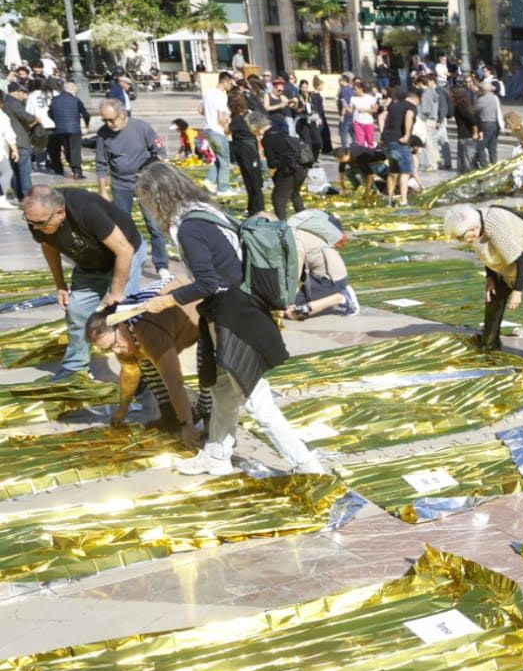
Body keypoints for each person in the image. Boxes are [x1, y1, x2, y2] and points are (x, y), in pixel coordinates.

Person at [131, 163, 324, 476]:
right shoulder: (205, 212)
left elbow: (208, 283)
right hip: (236, 309)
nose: (148, 210)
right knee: (222, 389)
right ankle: (217, 455)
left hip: (234, 317)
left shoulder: (189, 228)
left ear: (159, 197)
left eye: (147, 202)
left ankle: (307, 465)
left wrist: (167, 300)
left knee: (257, 401)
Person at [23, 186, 150, 379]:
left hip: (125, 255)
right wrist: (60, 285)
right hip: (89, 261)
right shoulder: (37, 219)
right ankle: (76, 366)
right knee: (77, 310)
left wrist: (116, 292)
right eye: (30, 222)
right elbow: (49, 246)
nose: (35, 228)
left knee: (124, 315)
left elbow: (124, 251)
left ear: (60, 213)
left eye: (40, 223)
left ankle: (137, 369)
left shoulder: (86, 209)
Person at [441, 203, 523, 361]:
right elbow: (487, 254)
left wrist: (517, 291)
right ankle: (490, 341)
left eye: (461, 237)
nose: (461, 240)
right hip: (509, 259)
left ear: (473, 229)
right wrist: (490, 278)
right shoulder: (475, 226)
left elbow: (522, 260)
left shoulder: (494, 227)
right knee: (494, 295)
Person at [88, 296, 201, 437]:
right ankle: (170, 414)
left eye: (114, 344)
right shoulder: (121, 335)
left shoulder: (147, 331)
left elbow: (174, 381)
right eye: (109, 349)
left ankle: (204, 416)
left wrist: (187, 424)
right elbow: (130, 374)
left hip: (201, 311)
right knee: (144, 362)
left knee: (210, 374)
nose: (116, 351)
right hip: (168, 326)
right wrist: (122, 410)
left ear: (121, 325)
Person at [95, 99, 171, 281]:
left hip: (146, 184)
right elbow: (101, 163)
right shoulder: (103, 134)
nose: (108, 124)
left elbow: (160, 153)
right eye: (104, 120)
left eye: (111, 119)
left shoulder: (142, 128)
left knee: (155, 225)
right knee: (122, 227)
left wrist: (148, 169)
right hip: (120, 185)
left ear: (122, 114)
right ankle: (127, 261)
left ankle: (161, 265)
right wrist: (103, 190)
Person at [286, 210, 359, 319]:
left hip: (330, 279)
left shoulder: (294, 241)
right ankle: (332, 295)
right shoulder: (294, 232)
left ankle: (342, 297)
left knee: (293, 313)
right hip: (325, 275)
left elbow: (294, 275)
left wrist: (288, 301)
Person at [256, 112, 306, 219]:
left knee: (278, 198)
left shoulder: (268, 138)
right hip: (302, 167)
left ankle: (282, 224)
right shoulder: (280, 132)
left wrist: (271, 172)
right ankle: (304, 220)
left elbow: (272, 163)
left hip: (289, 170)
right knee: (294, 194)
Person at [377, 85, 418, 205]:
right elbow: (409, 116)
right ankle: (403, 201)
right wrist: (407, 135)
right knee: (405, 172)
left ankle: (390, 200)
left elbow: (382, 117)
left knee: (393, 171)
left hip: (388, 142)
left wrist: (383, 135)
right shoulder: (410, 106)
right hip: (399, 143)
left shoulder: (393, 106)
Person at [47, 81, 90, 180]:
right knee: (75, 150)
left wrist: (57, 121)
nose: (76, 92)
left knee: (67, 149)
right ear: (71, 89)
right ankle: (77, 172)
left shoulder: (54, 100)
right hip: (74, 129)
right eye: (75, 90)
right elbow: (85, 114)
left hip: (60, 129)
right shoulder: (76, 100)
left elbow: (50, 113)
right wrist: (87, 124)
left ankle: (72, 167)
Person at [472, 77, 502, 166]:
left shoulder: (482, 100)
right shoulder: (495, 98)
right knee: (492, 147)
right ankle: (494, 164)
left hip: (486, 124)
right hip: (495, 124)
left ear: (483, 90)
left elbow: (475, 111)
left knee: (480, 147)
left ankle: (484, 165)